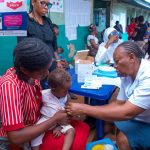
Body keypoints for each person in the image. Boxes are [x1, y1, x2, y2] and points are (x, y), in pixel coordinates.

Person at [0, 38, 90, 150]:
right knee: (76, 142)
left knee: (83, 127)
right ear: (24, 70)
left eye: (47, 69)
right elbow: (15, 137)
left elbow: (41, 105)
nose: (47, 74)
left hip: (39, 124)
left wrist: (61, 113)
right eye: (42, 72)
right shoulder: (10, 87)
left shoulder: (32, 77)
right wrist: (55, 120)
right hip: (20, 139)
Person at [66, 41, 150, 150]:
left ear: (131, 58)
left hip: (145, 122)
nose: (115, 66)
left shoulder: (147, 76)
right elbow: (119, 103)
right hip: (140, 118)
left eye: (117, 61)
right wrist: (88, 109)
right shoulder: (127, 73)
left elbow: (127, 113)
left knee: (122, 139)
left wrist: (83, 109)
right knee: (113, 124)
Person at [31, 68, 75, 150]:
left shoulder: (66, 97)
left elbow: (67, 112)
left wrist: (59, 127)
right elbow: (36, 106)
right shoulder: (43, 94)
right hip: (45, 120)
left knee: (71, 130)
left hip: (60, 121)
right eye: (65, 91)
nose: (67, 93)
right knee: (35, 134)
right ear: (54, 89)